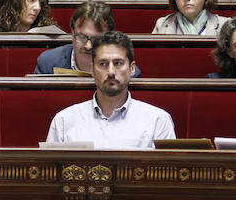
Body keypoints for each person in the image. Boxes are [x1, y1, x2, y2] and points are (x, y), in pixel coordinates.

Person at [46, 31, 175, 148]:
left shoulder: (158, 121)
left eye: (118, 63)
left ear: (132, 69)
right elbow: (49, 171)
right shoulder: (64, 121)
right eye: (103, 64)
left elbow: (168, 171)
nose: (111, 72)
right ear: (92, 69)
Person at [34, 0, 140, 76]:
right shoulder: (48, 63)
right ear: (72, 32)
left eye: (96, 39)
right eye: (81, 37)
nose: (88, 46)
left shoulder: (125, 71)